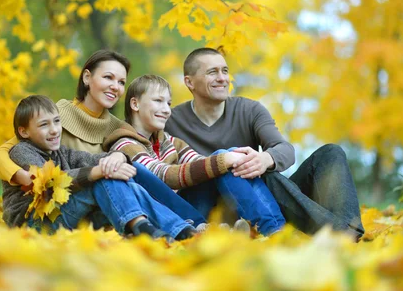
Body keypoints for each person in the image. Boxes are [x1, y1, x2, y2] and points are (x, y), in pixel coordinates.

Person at [0, 50, 206, 228]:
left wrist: (120, 156)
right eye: (108, 77)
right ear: (87, 78)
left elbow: (131, 158)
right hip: (57, 203)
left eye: (121, 82)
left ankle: (191, 223)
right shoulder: (56, 116)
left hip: (98, 202)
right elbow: (0, 155)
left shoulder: (117, 127)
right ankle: (186, 224)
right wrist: (21, 176)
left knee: (136, 169)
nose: (115, 86)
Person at [164, 48, 365, 240]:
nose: (222, 78)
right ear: (189, 82)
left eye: (225, 71)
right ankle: (332, 233)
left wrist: (265, 159)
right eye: (212, 72)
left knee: (330, 152)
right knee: (226, 159)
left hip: (262, 202)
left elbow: (285, 150)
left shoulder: (250, 109)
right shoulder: (170, 120)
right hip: (208, 210)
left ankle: (349, 230)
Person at [103, 75, 285, 236]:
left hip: (188, 209)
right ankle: (268, 228)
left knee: (227, 158)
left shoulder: (169, 141)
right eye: (158, 101)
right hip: (165, 216)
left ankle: (276, 229)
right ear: (135, 104)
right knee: (222, 159)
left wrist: (234, 158)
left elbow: (199, 161)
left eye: (168, 103)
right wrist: (222, 160)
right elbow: (162, 175)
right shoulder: (124, 144)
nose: (166, 109)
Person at [3, 95, 195, 240]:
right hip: (33, 223)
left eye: (57, 121)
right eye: (44, 125)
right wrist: (98, 172)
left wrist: (117, 156)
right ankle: (143, 228)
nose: (54, 130)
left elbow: (93, 159)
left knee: (128, 186)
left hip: (62, 216)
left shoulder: (62, 152)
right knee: (100, 180)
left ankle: (180, 229)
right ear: (24, 131)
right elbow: (49, 182)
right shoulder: (21, 152)